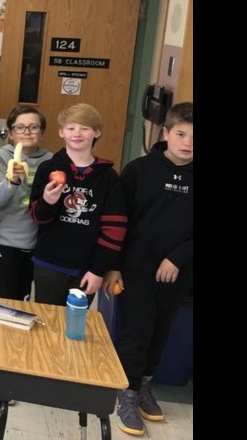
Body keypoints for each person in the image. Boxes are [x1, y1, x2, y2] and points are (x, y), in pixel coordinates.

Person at [106, 103, 193, 437]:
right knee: (135, 334)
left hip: (178, 273)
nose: (187, 143)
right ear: (165, 134)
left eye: (193, 138)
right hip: (136, 270)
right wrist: (114, 266)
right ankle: (126, 393)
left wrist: (178, 258)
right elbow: (117, 223)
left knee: (160, 333)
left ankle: (143, 386)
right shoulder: (139, 171)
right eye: (181, 134)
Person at [29, 103, 127, 307]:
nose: (77, 133)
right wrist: (48, 201)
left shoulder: (108, 177)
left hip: (87, 269)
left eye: (85, 128)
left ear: (97, 132)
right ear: (61, 132)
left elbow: (114, 229)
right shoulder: (47, 168)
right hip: (49, 263)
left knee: (74, 326)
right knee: (47, 326)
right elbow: (38, 217)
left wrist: (99, 269)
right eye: (71, 128)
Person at [0, 106, 53, 300]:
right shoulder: (1, 157)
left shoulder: (51, 160)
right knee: (4, 301)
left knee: (24, 299)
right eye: (20, 127)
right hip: (5, 240)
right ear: (10, 133)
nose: (27, 132)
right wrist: (12, 181)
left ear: (42, 133)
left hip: (36, 243)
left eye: (33, 127)